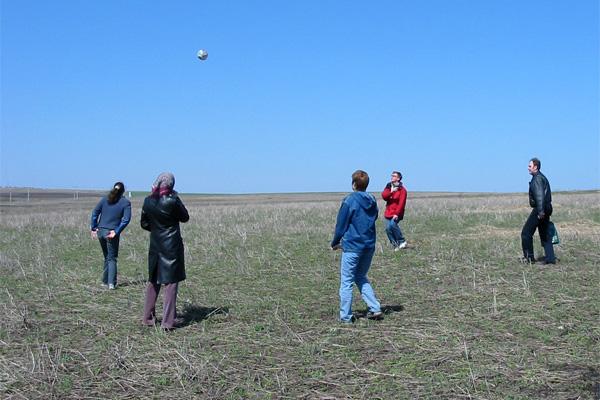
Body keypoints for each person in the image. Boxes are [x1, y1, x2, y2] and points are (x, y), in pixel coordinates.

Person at [331, 170, 383, 323]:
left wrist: (335, 241)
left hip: (353, 246)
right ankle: (375, 308)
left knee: (346, 281)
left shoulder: (349, 200)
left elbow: (341, 224)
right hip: (369, 245)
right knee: (360, 276)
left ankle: (346, 316)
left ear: (353, 184)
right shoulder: (372, 199)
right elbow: (374, 217)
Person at [141, 172, 190, 330]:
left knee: (153, 281)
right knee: (170, 283)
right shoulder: (172, 200)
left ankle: (147, 318)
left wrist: (156, 229)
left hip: (155, 245)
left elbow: (144, 224)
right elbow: (185, 217)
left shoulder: (148, 201)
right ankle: (167, 322)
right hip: (171, 246)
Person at [90, 182, 132, 289]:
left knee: (107, 257)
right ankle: (111, 284)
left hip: (101, 232)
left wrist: (94, 228)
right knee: (112, 258)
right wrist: (116, 231)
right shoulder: (125, 202)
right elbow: (126, 220)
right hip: (111, 233)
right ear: (123, 191)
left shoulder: (105, 199)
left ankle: (105, 281)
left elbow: (95, 213)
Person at [521, 158, 556, 264]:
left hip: (540, 209)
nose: (528, 168)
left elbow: (540, 196)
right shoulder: (540, 177)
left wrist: (540, 212)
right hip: (546, 208)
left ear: (535, 167)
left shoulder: (537, 179)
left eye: (530, 166)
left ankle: (529, 258)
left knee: (526, 233)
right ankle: (550, 259)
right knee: (545, 234)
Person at [381, 171, 408, 250]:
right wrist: (391, 191)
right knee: (387, 229)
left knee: (392, 225)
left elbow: (401, 203)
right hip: (388, 212)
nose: (392, 177)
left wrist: (397, 214)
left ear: (398, 178)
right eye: (392, 176)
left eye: (394, 176)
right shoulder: (389, 186)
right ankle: (395, 245)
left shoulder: (402, 190)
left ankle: (402, 241)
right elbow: (384, 196)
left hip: (397, 213)